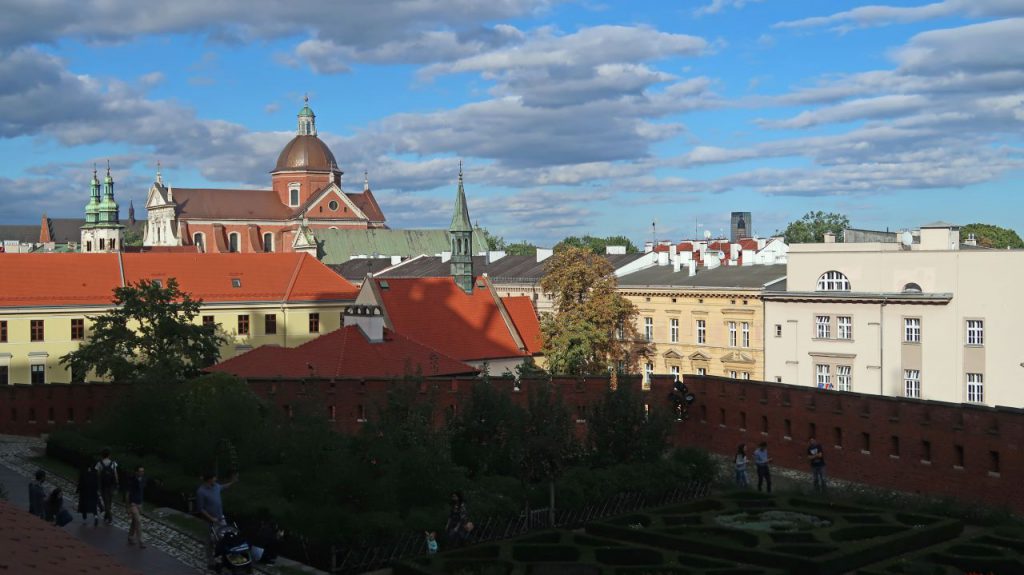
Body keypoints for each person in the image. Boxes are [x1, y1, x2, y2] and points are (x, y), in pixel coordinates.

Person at [197, 471, 239, 568]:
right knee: (210, 541)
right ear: (209, 479)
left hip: (220, 518)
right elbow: (201, 509)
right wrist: (211, 518)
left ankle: (227, 559)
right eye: (214, 478)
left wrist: (233, 482)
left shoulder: (216, 486)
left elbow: (224, 487)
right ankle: (211, 562)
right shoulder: (201, 491)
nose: (216, 479)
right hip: (209, 521)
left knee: (226, 537)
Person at [95, 449, 119, 525]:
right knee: (109, 502)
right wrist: (117, 484)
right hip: (111, 485)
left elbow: (98, 475)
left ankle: (109, 518)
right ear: (109, 455)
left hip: (103, 486)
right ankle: (107, 517)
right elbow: (115, 474)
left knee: (106, 502)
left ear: (102, 455)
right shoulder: (113, 463)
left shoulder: (99, 464)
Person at [125, 466, 146, 548]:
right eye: (140, 471)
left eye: (143, 471)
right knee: (138, 521)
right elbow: (127, 494)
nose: (142, 473)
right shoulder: (132, 480)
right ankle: (141, 541)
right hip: (132, 503)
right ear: (136, 472)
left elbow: (142, 492)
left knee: (134, 521)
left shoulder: (143, 480)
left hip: (139, 503)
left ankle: (130, 536)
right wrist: (127, 507)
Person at [77, 458, 102, 526]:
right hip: (92, 491)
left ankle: (84, 516)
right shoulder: (94, 473)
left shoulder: (83, 471)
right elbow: (97, 483)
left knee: (84, 504)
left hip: (84, 491)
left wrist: (78, 490)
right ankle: (96, 517)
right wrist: (97, 490)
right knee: (93, 505)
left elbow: (80, 482)